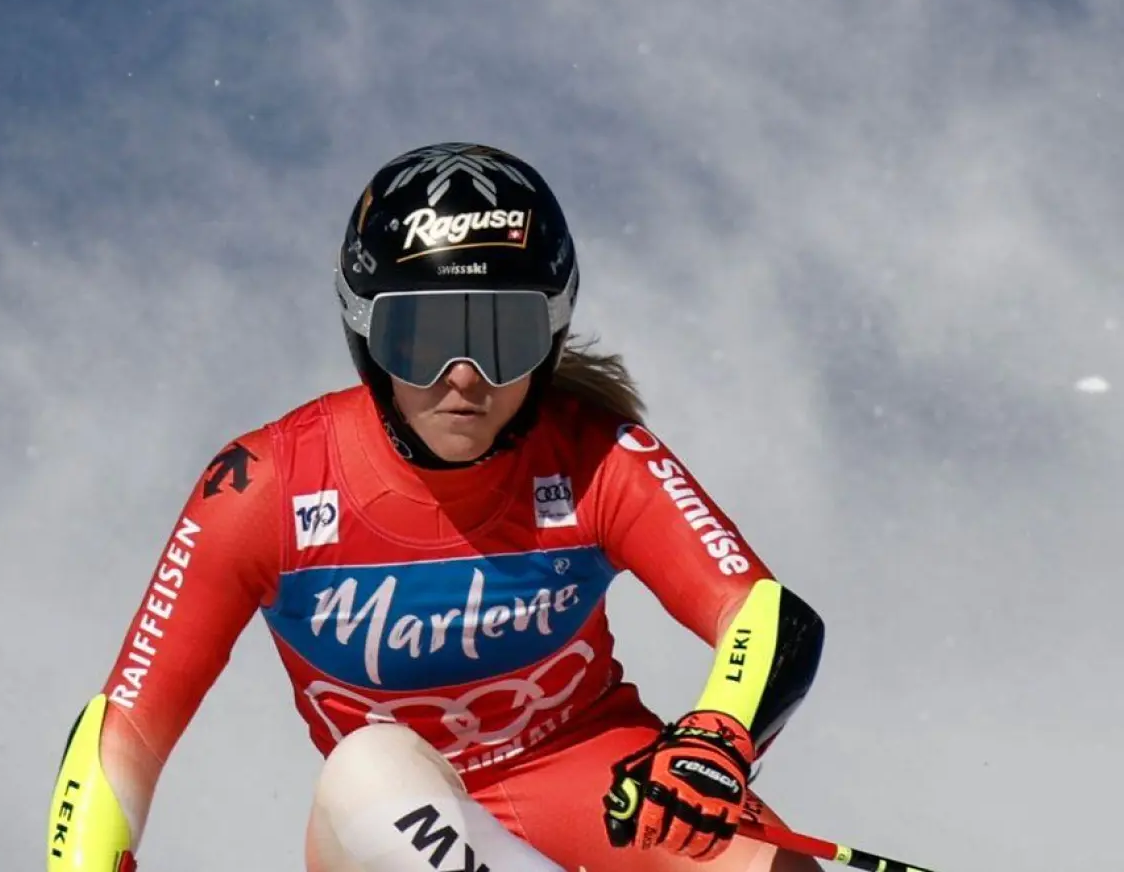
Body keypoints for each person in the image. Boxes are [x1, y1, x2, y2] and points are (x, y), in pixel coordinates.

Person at [45, 142, 826, 872]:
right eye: (421, 338)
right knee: (369, 766)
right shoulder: (265, 485)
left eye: (503, 336)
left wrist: (717, 735)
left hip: (599, 787)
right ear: (366, 334)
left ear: (551, 336)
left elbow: (763, 614)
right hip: (383, 821)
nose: (463, 376)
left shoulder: (596, 458)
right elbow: (128, 730)